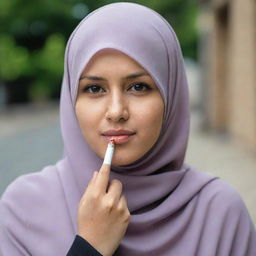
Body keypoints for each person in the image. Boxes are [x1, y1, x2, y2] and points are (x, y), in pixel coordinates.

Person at [0, 2, 255, 256]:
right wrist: (89, 247)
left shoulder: (219, 213)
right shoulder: (23, 211)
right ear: (71, 100)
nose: (116, 111)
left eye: (138, 87)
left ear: (171, 95)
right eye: (94, 88)